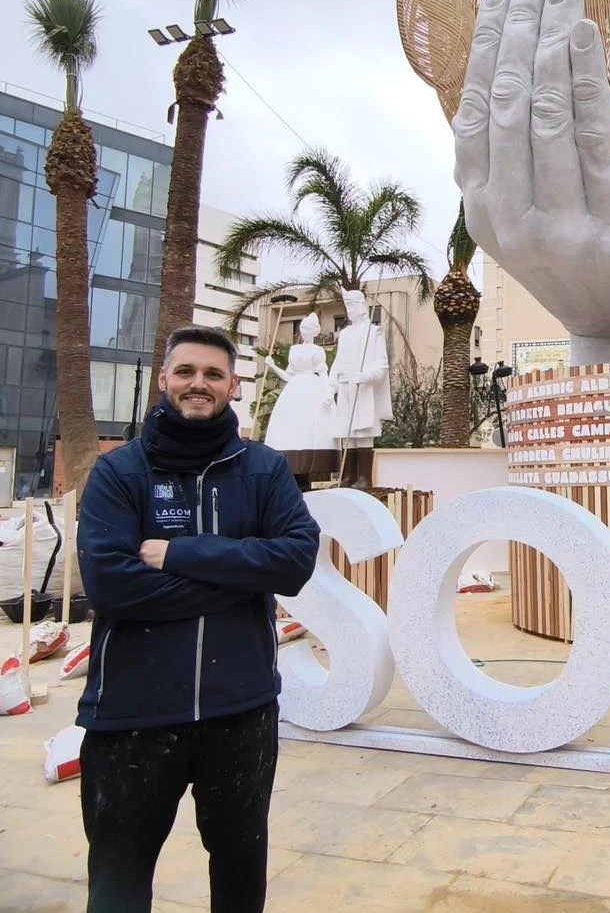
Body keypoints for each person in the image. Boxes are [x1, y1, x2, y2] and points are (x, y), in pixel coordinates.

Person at [76, 325, 320, 913]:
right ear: (164, 380)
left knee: (239, 876)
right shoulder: (119, 474)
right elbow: (111, 586)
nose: (198, 384)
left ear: (233, 386)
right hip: (133, 715)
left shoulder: (264, 470)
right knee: (118, 881)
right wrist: (240, 580)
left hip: (240, 712)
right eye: (186, 372)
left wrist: (181, 553)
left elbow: (294, 560)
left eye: (213, 374)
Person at [330, 290, 392, 490]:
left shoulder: (374, 332)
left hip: (364, 390)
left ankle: (364, 478)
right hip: (346, 388)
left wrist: (364, 376)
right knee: (347, 435)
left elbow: (381, 366)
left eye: (352, 305)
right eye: (347, 306)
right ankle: (348, 476)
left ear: (362, 306)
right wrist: (332, 383)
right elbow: (338, 362)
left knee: (363, 434)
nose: (350, 310)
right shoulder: (345, 333)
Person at [261, 311, 337, 451]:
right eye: (303, 328)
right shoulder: (294, 350)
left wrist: (328, 392)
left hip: (312, 389)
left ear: (314, 331)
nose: (304, 332)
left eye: (307, 329)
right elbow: (288, 376)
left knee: (311, 423)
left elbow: (323, 374)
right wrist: (273, 366)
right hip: (294, 389)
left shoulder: (318, 350)